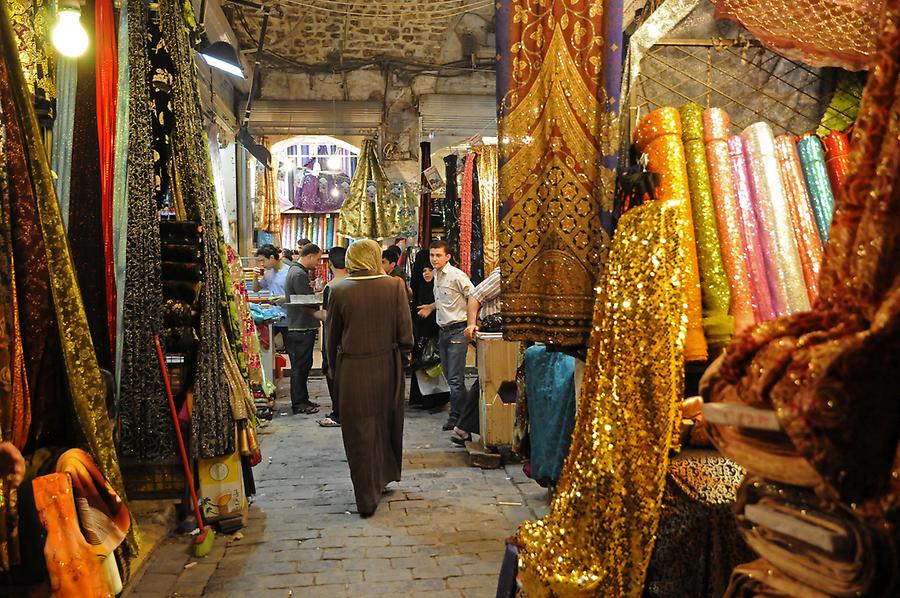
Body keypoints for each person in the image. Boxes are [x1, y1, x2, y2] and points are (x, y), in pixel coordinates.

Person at [326, 239, 413, 517]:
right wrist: (404, 357)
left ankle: (366, 494)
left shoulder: (338, 290)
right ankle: (382, 478)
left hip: (353, 368)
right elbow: (405, 332)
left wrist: (332, 367)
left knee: (359, 431)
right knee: (385, 424)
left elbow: (332, 337)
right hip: (387, 366)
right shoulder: (394, 286)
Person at [417, 240, 474, 431]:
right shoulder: (437, 276)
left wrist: (472, 323)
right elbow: (443, 300)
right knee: (450, 378)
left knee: (456, 379)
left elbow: (473, 297)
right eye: (432, 255)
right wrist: (431, 307)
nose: (434, 259)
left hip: (458, 330)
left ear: (447, 257)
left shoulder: (457, 276)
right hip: (443, 332)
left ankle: (457, 417)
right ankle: (467, 415)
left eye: (438, 255)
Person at [452, 266, 502, 445]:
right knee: (487, 379)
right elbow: (475, 295)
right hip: (494, 336)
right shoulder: (502, 275)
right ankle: (464, 426)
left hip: (501, 338)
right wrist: (471, 324)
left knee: (489, 380)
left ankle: (465, 427)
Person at [283, 243, 324, 415]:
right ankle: (299, 403)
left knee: (302, 365)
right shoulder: (298, 273)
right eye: (318, 259)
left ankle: (302, 399)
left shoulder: (295, 271)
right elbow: (303, 300)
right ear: (311, 256)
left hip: (300, 325)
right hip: (301, 326)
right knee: (300, 366)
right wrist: (318, 310)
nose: (318, 263)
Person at [408, 249, 450, 412]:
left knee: (434, 367)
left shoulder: (439, 285)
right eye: (423, 270)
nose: (426, 273)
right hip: (424, 333)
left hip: (435, 331)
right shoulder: (423, 287)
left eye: (429, 270)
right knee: (426, 368)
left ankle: (437, 400)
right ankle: (428, 399)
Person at [315, 246, 348, 428]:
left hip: (334, 339)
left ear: (331, 265)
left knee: (333, 374)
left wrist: (310, 312)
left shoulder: (332, 287)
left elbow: (328, 317)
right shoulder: (353, 282)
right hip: (349, 337)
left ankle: (338, 414)